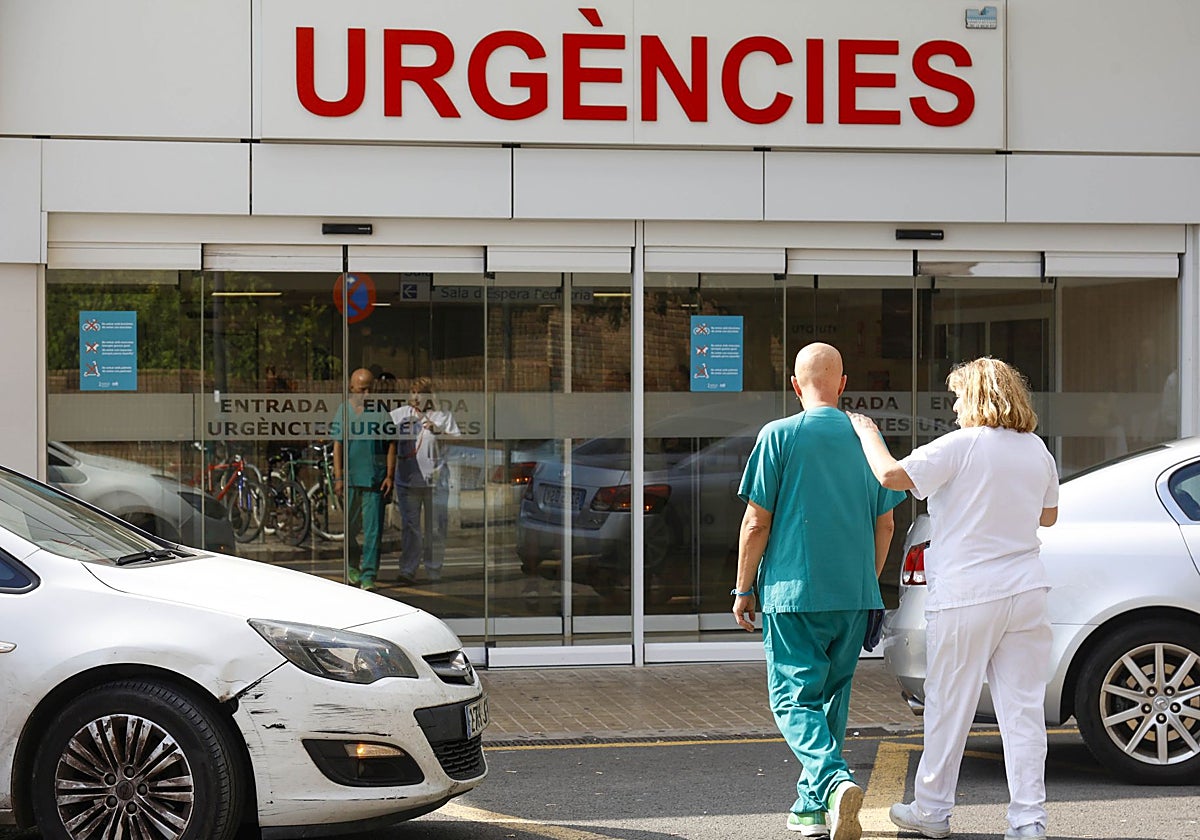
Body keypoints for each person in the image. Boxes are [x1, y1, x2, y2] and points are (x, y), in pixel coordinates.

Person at [848, 357, 1059, 840]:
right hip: (1026, 589)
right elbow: (1047, 518)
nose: (955, 407)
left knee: (948, 706)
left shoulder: (962, 445)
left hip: (967, 593)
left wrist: (867, 433)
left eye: (959, 397)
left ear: (979, 396)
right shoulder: (1036, 450)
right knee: (1023, 712)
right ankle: (1028, 822)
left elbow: (891, 477)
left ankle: (933, 811)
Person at [732, 342, 906, 840]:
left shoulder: (779, 435)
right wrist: (867, 582)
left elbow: (755, 521)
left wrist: (743, 588)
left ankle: (832, 783)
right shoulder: (865, 439)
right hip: (854, 594)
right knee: (831, 698)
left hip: (793, 593)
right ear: (843, 383)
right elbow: (887, 525)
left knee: (791, 700)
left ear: (794, 384)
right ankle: (810, 811)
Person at [390, 376, 460, 584]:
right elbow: (386, 438)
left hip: (435, 480)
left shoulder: (443, 416)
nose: (415, 397)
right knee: (410, 527)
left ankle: (433, 569)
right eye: (413, 392)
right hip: (407, 479)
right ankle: (408, 569)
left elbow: (458, 439)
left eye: (420, 393)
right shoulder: (400, 415)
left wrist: (438, 431)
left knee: (436, 526)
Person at [331, 368, 396, 591]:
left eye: (369, 389)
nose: (366, 394)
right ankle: (351, 566)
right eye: (361, 390)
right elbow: (337, 445)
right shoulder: (344, 411)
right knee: (349, 527)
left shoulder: (380, 411)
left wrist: (389, 475)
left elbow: (391, 444)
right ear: (351, 389)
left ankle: (369, 575)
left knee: (373, 530)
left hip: (374, 479)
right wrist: (338, 475)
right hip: (350, 479)